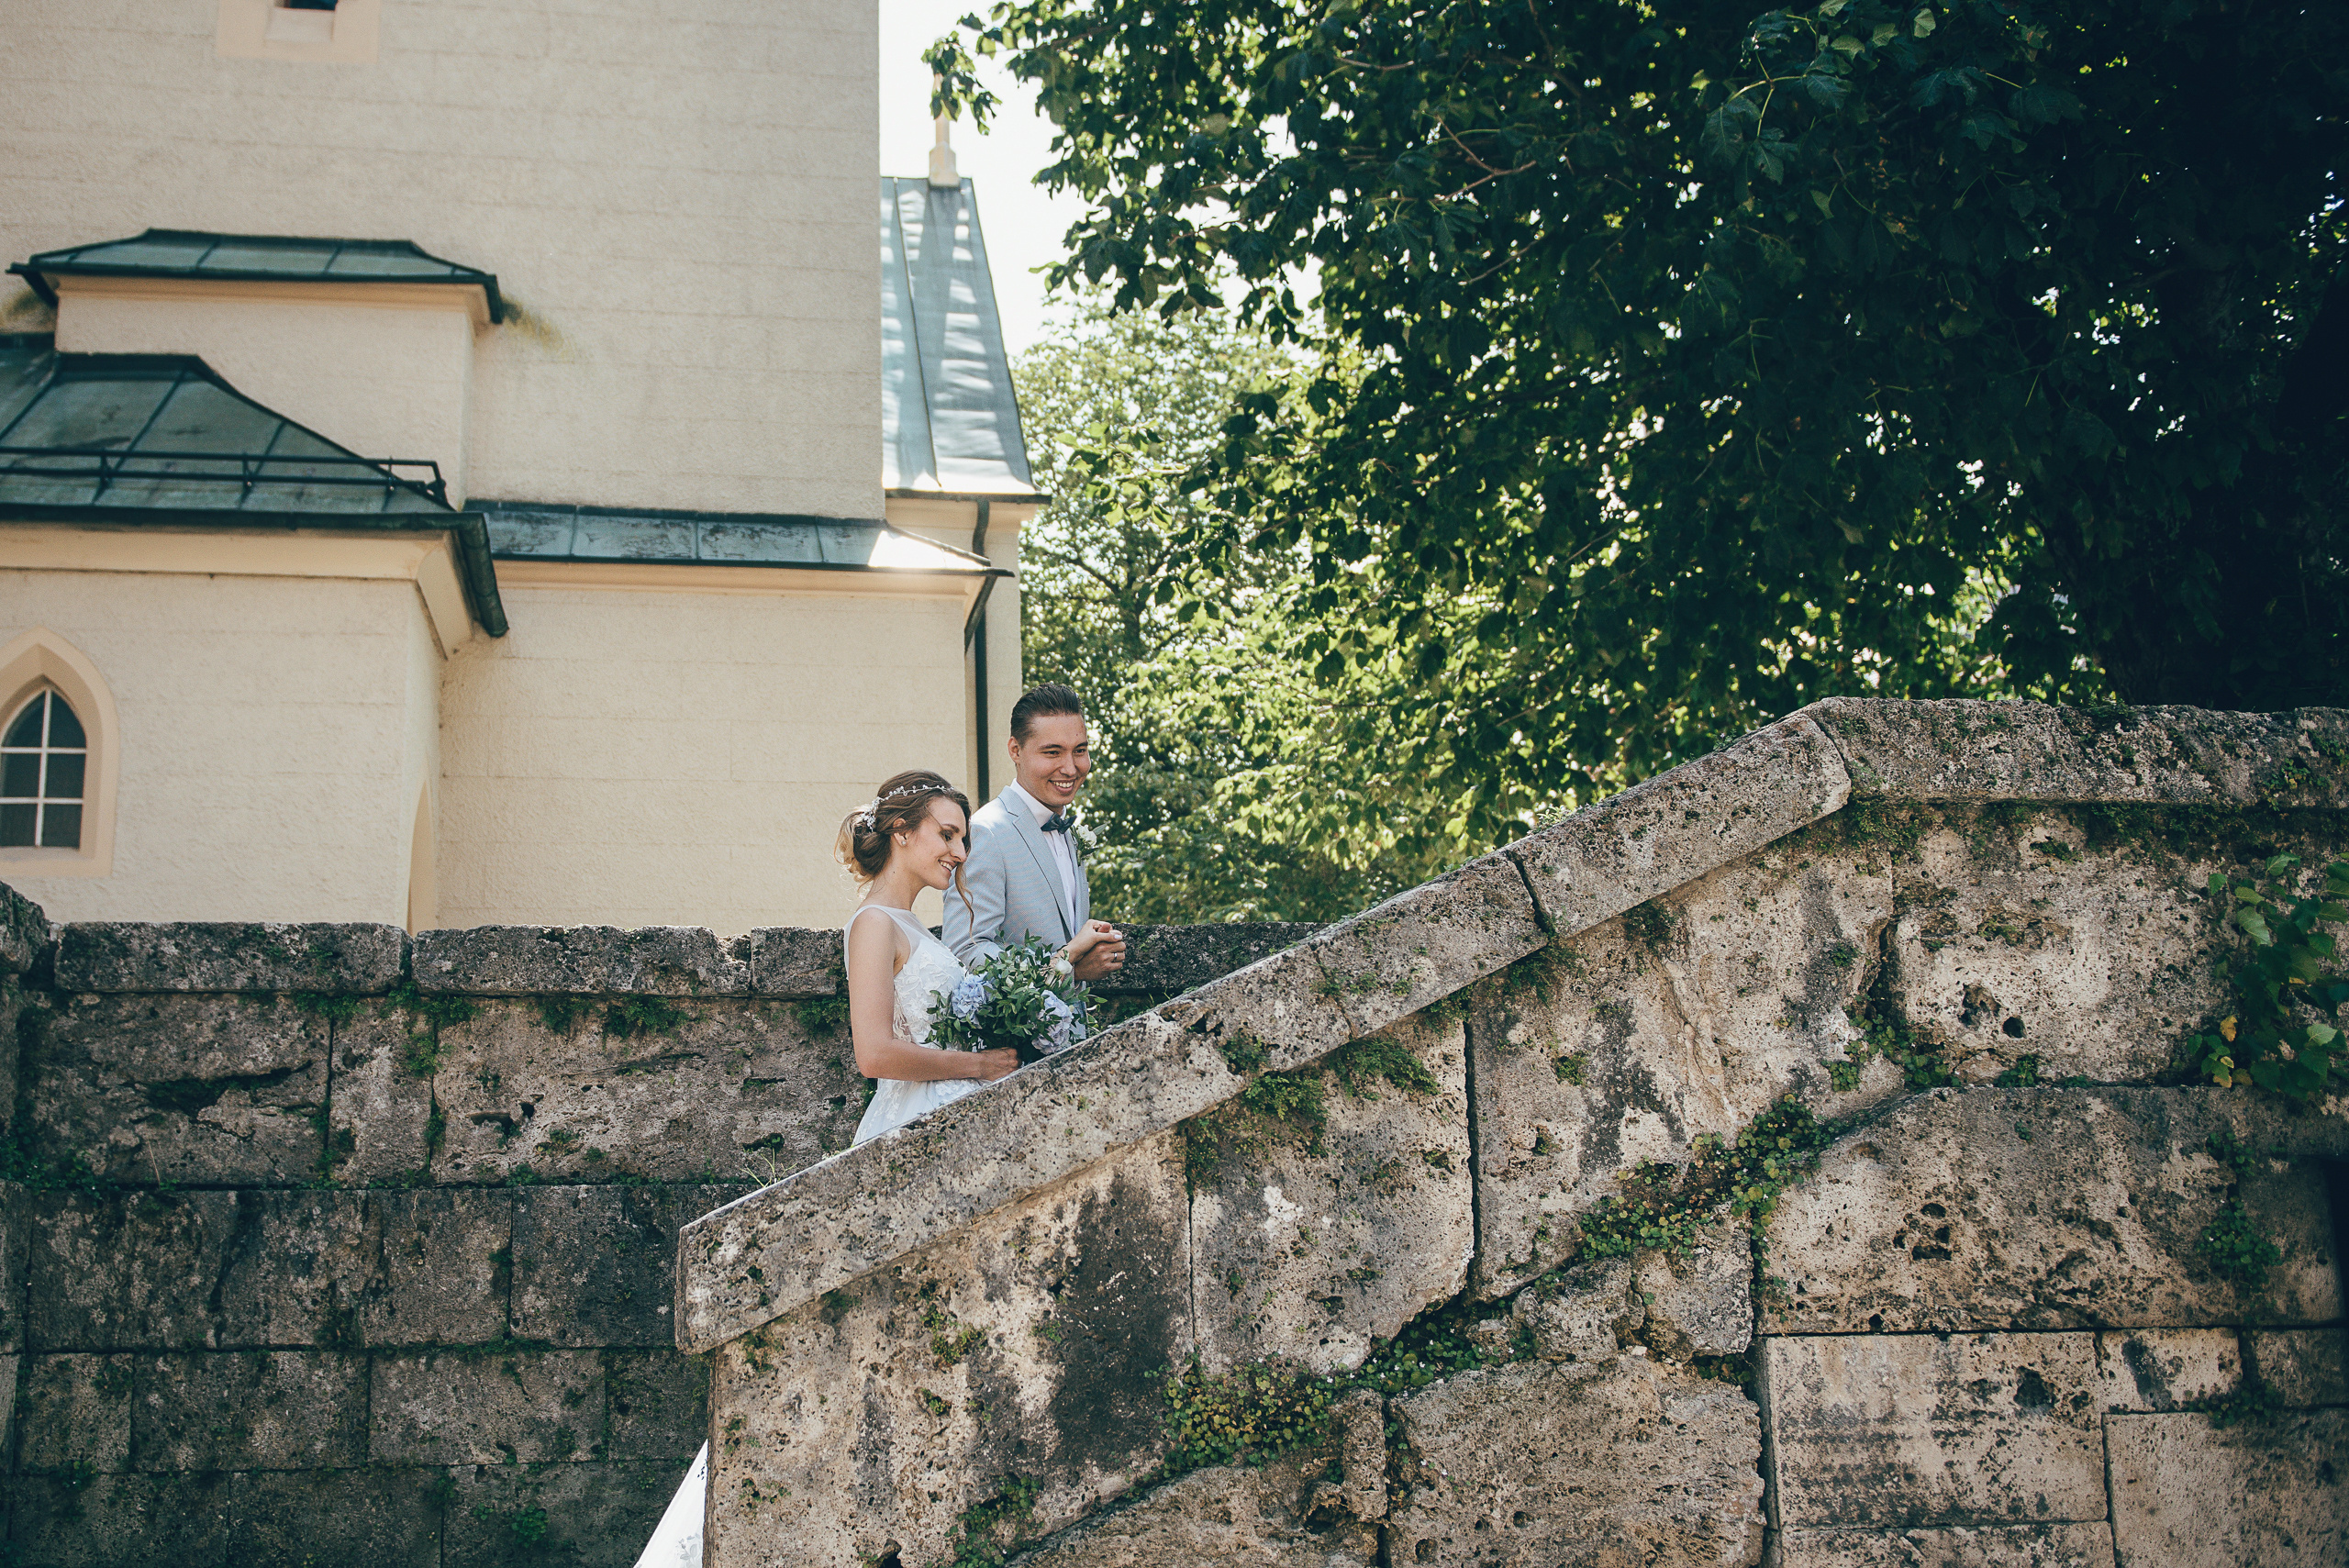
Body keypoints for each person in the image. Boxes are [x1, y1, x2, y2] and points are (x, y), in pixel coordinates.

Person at [841, 767, 1114, 1146]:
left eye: (963, 840)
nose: (961, 853)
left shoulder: (911, 925)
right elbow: (874, 1054)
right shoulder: (874, 922)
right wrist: (980, 1065)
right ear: (902, 831)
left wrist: (1064, 962)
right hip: (916, 1122)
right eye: (947, 835)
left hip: (954, 1108)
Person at [945, 684, 1127, 985]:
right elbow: (967, 952)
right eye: (1052, 752)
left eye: (1080, 751)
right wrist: (1070, 969)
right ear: (1015, 750)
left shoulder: (1067, 829)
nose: (1071, 768)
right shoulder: (986, 832)